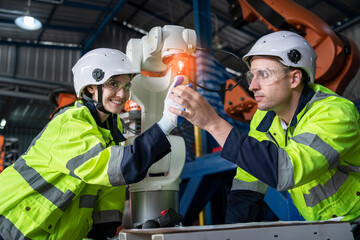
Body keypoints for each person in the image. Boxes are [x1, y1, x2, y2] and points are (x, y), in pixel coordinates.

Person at [167, 31, 360, 223]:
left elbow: (286, 170)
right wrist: (232, 234)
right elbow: (248, 181)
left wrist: (212, 123)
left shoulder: (334, 114)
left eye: (264, 75)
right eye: (252, 75)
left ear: (294, 79)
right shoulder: (264, 118)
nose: (252, 86)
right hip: (328, 227)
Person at [0, 48, 180, 240]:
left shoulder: (111, 133)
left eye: (127, 86)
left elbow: (109, 197)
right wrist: (166, 124)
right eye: (113, 84)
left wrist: (110, 234)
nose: (122, 94)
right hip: (10, 229)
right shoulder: (70, 124)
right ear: (90, 88)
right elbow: (119, 168)